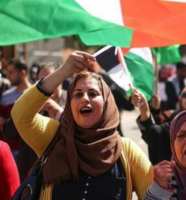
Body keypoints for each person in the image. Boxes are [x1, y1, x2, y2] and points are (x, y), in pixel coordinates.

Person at [11, 51, 153, 200]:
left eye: (93, 93)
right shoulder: (54, 137)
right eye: (77, 95)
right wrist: (64, 71)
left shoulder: (127, 151)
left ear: (106, 103)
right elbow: (21, 115)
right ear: (69, 104)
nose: (85, 99)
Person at [3, 62, 67, 181]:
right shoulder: (30, 100)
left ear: (61, 81)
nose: (48, 86)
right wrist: (25, 110)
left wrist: (59, 112)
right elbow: (9, 133)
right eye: (42, 81)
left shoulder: (72, 101)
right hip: (31, 173)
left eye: (51, 79)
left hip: (61, 173)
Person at [133, 86, 186, 165]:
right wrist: (147, 108)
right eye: (185, 95)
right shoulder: (170, 117)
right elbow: (153, 132)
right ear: (180, 99)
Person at [0, 59, 31, 157]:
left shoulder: (36, 94)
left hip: (30, 151)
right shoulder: (6, 96)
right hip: (10, 150)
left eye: (11, 72)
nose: (8, 76)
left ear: (22, 73)